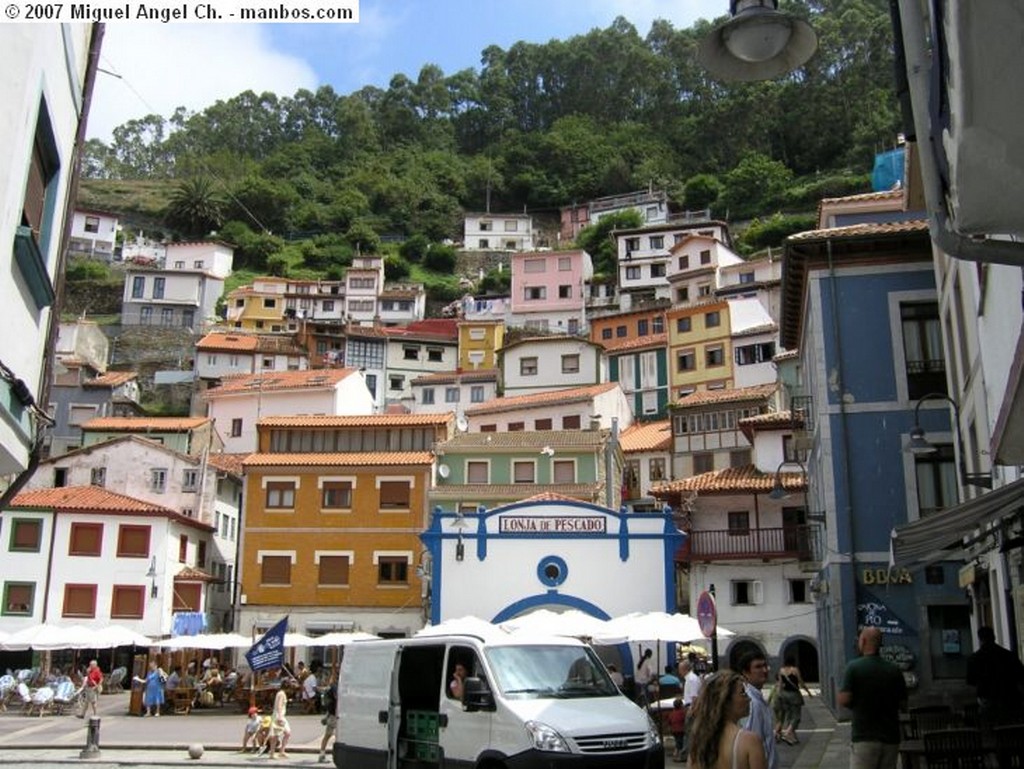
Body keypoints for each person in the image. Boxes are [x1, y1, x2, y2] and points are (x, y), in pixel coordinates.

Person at [838, 627, 907, 769]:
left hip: (864, 737)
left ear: (863, 642)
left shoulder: (853, 667)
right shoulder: (894, 670)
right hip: (890, 737)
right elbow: (903, 703)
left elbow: (844, 699)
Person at [687, 670, 767, 769]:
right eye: (743, 693)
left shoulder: (699, 742)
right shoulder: (750, 741)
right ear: (725, 701)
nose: (749, 698)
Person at [966, 625, 1024, 727]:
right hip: (1009, 697)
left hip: (987, 698)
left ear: (980, 639)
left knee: (990, 729)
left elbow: (971, 681)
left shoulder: (974, 659)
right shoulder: (1009, 655)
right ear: (994, 637)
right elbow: (1021, 675)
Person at [739, 651, 777, 769]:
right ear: (746, 673)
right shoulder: (751, 702)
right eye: (758, 667)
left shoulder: (758, 699)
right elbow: (753, 743)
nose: (765, 670)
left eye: (765, 666)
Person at [774, 656, 812, 745]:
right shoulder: (795, 670)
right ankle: (787, 733)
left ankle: (792, 737)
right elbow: (801, 682)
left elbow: (780, 684)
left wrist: (778, 695)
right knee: (796, 717)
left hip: (784, 694)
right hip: (794, 695)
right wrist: (808, 692)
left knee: (789, 715)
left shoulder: (781, 670)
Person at [267, 687, 291, 759]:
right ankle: (272, 753)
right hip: (278, 716)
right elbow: (279, 706)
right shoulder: (281, 694)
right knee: (276, 735)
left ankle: (282, 751)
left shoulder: (281, 693)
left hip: (280, 715)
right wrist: (280, 717)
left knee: (287, 733)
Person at [318, 677, 338, 763]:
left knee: (328, 735)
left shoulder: (331, 687)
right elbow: (337, 701)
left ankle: (322, 754)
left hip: (331, 714)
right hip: (334, 716)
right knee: (330, 735)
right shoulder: (335, 687)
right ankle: (322, 755)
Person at [668, 697, 687, 763]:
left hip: (674, 730)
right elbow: (685, 720)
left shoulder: (672, 713)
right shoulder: (682, 712)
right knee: (680, 744)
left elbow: (669, 722)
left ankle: (676, 755)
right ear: (680, 705)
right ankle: (677, 756)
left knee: (677, 742)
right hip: (680, 730)